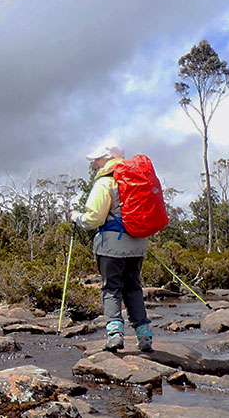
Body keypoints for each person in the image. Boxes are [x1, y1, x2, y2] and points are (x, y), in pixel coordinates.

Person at [70, 143, 153, 353]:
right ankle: (145, 337)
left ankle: (115, 335)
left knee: (112, 288)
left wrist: (77, 217)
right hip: (138, 244)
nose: (94, 163)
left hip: (111, 247)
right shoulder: (136, 181)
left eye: (97, 159)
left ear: (107, 158)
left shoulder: (106, 182)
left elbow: (94, 218)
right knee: (133, 287)